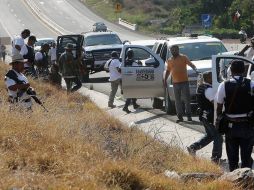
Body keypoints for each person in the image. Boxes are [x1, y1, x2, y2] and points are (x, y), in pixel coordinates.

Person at [216, 60, 254, 172]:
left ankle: (234, 181)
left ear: (231, 71)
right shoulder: (251, 84)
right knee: (246, 157)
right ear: (244, 70)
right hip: (247, 125)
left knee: (232, 158)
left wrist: (219, 120)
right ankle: (246, 181)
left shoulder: (224, 85)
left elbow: (219, 106)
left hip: (230, 126)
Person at [187, 71, 223, 164]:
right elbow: (215, 103)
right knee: (218, 137)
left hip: (204, 115)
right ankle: (215, 159)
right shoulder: (209, 90)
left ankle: (193, 148)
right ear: (208, 78)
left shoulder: (201, 87)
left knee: (210, 135)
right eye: (213, 76)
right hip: (209, 116)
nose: (216, 78)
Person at [164, 45, 198, 123]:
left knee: (187, 99)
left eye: (175, 50)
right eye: (172, 50)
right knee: (177, 100)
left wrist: (195, 69)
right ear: (170, 51)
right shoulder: (169, 60)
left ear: (178, 50)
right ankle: (180, 116)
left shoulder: (183, 57)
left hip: (184, 82)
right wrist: (165, 80)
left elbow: (191, 64)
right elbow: (168, 71)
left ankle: (189, 115)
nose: (174, 51)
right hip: (175, 83)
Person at [122, 49, 140, 114]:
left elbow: (119, 69)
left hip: (125, 79)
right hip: (132, 80)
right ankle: (125, 107)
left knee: (132, 92)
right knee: (131, 93)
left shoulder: (124, 62)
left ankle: (134, 104)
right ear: (132, 55)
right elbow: (138, 70)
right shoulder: (134, 62)